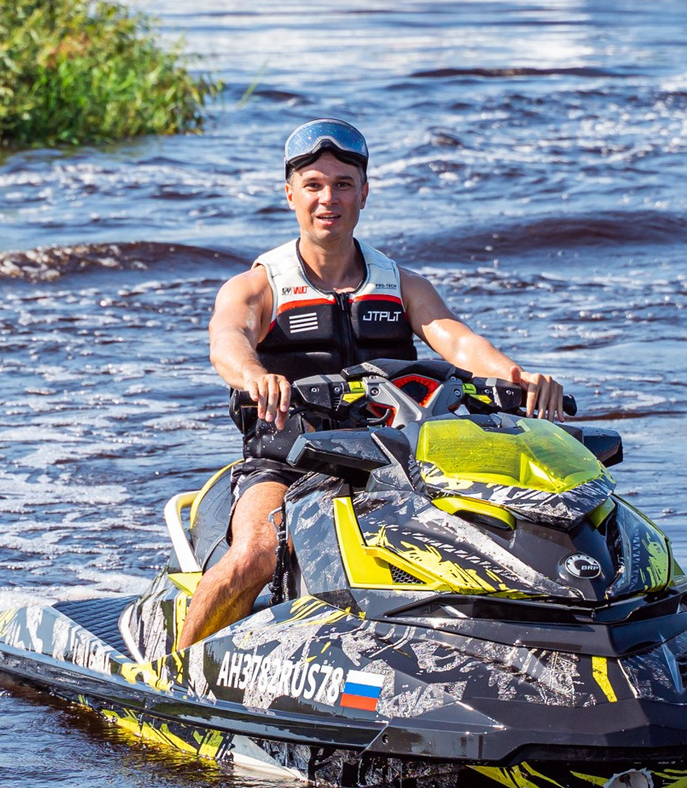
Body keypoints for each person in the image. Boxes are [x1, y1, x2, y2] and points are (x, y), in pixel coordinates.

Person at [177, 119, 564, 649]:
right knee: (255, 556)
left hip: (394, 456)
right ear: (290, 194)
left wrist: (516, 376)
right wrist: (255, 376)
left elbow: (457, 340)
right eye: (313, 185)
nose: (327, 198)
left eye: (341, 184)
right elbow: (227, 337)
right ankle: (172, 675)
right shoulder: (260, 284)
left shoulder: (401, 283)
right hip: (288, 458)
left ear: (364, 193)